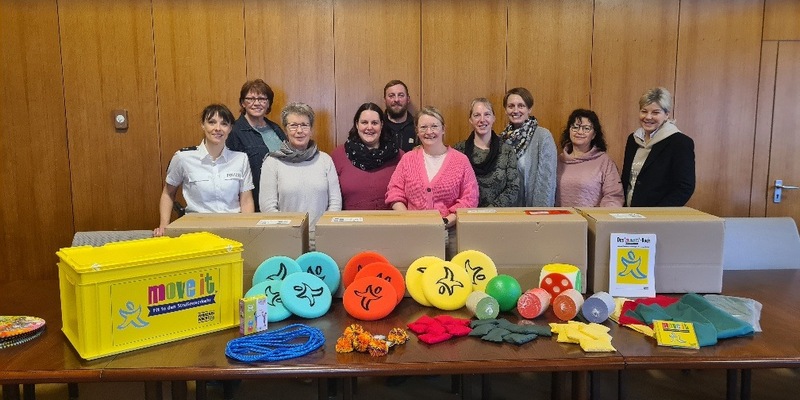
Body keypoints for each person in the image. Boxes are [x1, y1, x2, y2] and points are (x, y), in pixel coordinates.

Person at [386, 106, 478, 258]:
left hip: (451, 233)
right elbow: (394, 192)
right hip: (413, 233)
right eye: (423, 127)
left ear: (443, 129)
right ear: (417, 131)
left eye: (434, 126)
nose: (429, 132)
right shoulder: (408, 159)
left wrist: (446, 221)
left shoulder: (460, 161)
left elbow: (470, 198)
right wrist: (409, 219)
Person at [154, 104, 254, 237]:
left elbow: (246, 200)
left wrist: (249, 230)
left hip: (233, 230)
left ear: (230, 128)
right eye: (212, 122)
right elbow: (168, 193)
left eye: (224, 124)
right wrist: (164, 226)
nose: (217, 128)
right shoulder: (183, 157)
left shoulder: (240, 159)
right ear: (203, 125)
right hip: (196, 231)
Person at [259, 102, 342, 246]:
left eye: (304, 125)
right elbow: (268, 207)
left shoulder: (325, 160)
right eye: (293, 125)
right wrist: (291, 235)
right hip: (285, 240)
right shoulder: (272, 162)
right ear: (285, 130)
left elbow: (335, 203)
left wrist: (323, 233)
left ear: (311, 129)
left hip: (323, 240)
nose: (299, 131)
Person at [621, 87, 695, 206]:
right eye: (644, 111)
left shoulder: (680, 142)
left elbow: (684, 187)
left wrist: (657, 214)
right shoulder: (633, 139)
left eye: (655, 112)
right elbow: (627, 180)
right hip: (629, 214)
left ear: (666, 115)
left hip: (658, 217)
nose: (648, 117)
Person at [226, 79, 286, 211]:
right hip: (253, 201)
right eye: (251, 99)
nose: (257, 103)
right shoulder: (234, 131)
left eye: (262, 99)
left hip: (280, 199)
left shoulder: (275, 129)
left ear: (268, 103)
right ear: (242, 103)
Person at [331, 103, 403, 210]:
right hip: (350, 225)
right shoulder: (338, 156)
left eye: (374, 123)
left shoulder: (399, 156)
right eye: (364, 122)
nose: (369, 127)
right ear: (356, 124)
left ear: (382, 125)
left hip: (390, 224)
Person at [453, 98, 520, 207]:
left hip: (498, 217)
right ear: (470, 119)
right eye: (477, 115)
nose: (482, 119)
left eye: (487, 114)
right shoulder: (459, 150)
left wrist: (489, 211)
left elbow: (513, 188)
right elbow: (453, 187)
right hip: (466, 215)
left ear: (494, 118)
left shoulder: (507, 151)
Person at [500, 87, 557, 207]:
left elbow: (546, 182)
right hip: (508, 211)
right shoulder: (502, 139)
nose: (516, 110)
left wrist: (539, 215)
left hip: (533, 211)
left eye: (521, 106)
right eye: (511, 106)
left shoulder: (543, 137)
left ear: (529, 109)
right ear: (506, 110)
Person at [555, 109, 624, 207]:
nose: (580, 132)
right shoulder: (558, 161)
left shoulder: (604, 162)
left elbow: (614, 196)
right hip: (562, 220)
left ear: (594, 135)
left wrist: (601, 219)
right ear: (569, 131)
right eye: (575, 127)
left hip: (593, 220)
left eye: (586, 128)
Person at [383, 80, 418, 152]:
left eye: (401, 95)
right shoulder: (378, 126)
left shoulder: (417, 126)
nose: (396, 99)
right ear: (385, 100)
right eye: (391, 96)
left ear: (408, 99)